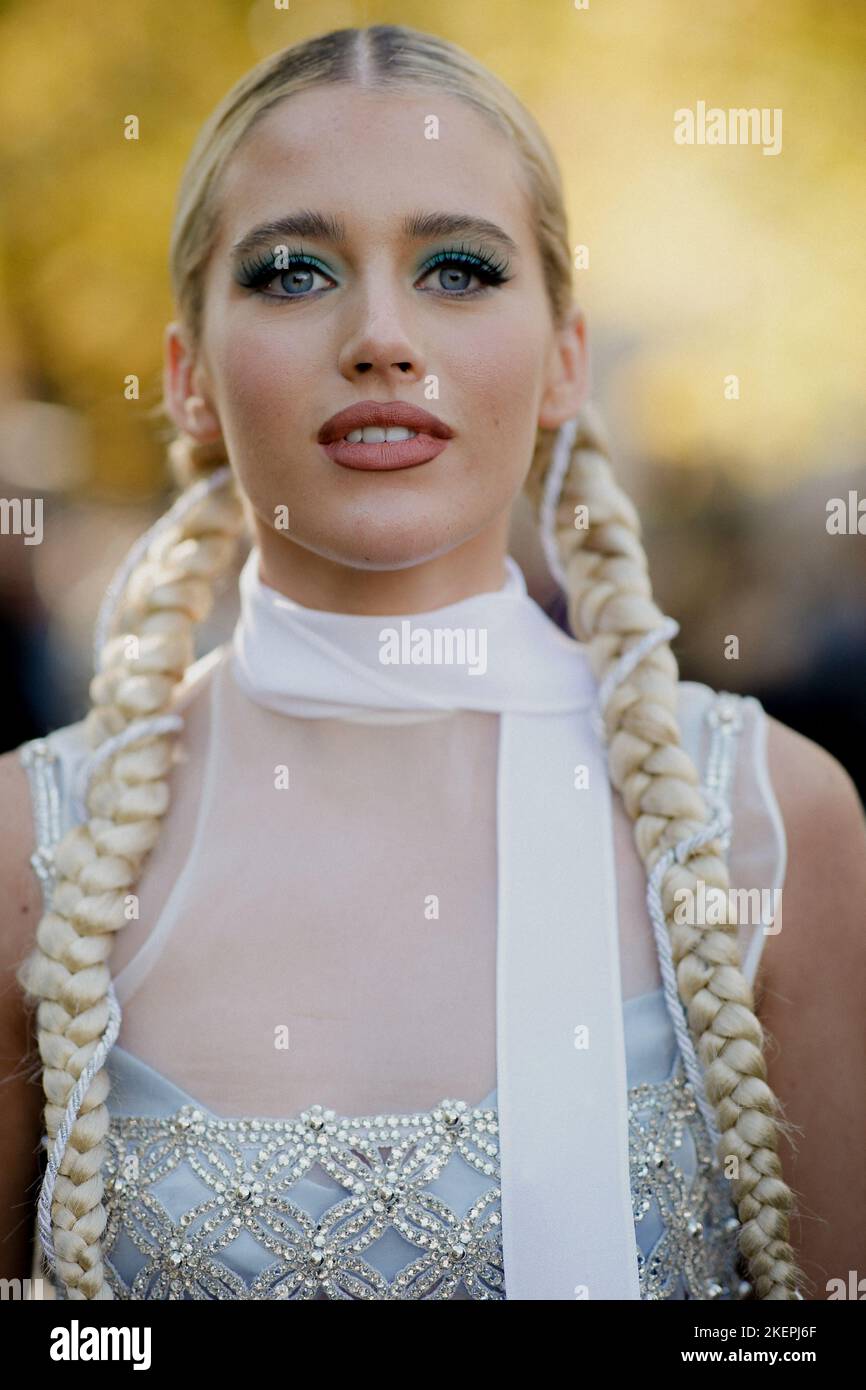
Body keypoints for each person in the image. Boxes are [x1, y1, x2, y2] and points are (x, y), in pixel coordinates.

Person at [1, 24, 864, 1303]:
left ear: (564, 359)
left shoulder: (767, 821)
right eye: (292, 272)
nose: (381, 337)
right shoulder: (30, 846)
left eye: (458, 268)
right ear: (187, 379)